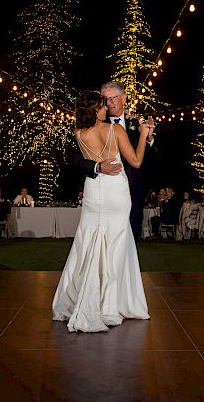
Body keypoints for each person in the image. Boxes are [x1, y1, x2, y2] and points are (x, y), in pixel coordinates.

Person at [53, 90, 152, 332]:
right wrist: (142, 135)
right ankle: (109, 305)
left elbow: (78, 160)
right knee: (116, 245)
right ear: (95, 108)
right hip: (116, 192)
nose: (106, 107)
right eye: (102, 104)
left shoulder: (78, 134)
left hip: (93, 192)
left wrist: (97, 166)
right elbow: (137, 161)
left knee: (86, 241)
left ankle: (79, 298)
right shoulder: (115, 130)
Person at [69, 81, 157, 240]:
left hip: (132, 192)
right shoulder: (98, 127)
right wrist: (98, 167)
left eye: (112, 99)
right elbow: (75, 159)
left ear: (123, 98)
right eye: (105, 100)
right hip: (106, 189)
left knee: (125, 237)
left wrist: (148, 138)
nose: (108, 104)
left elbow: (153, 160)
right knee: (99, 235)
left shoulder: (136, 123)